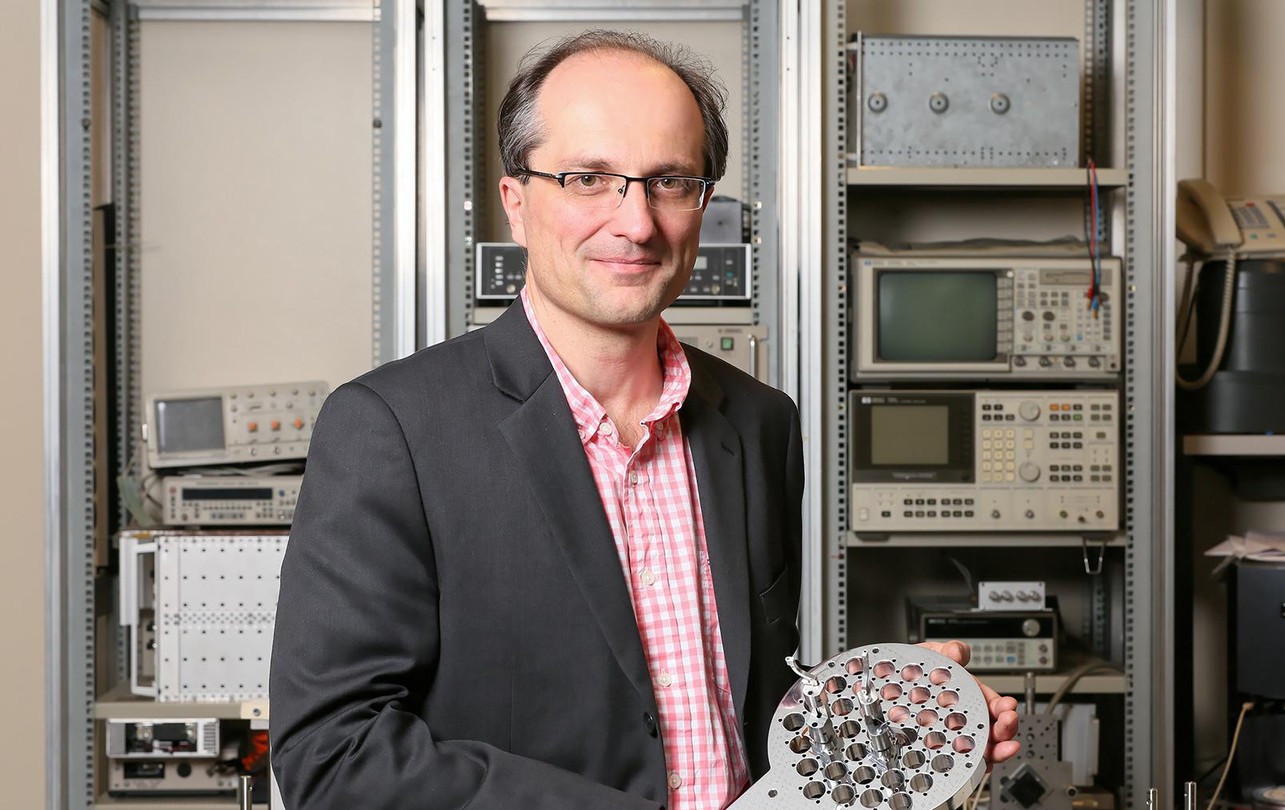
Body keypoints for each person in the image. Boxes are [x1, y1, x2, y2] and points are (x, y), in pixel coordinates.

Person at [269, 29, 1018, 809]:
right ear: (515, 203)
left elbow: (734, 713)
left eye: (668, 181)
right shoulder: (392, 430)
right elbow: (333, 755)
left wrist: (891, 727)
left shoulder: (757, 423)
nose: (635, 224)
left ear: (702, 202)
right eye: (588, 179)